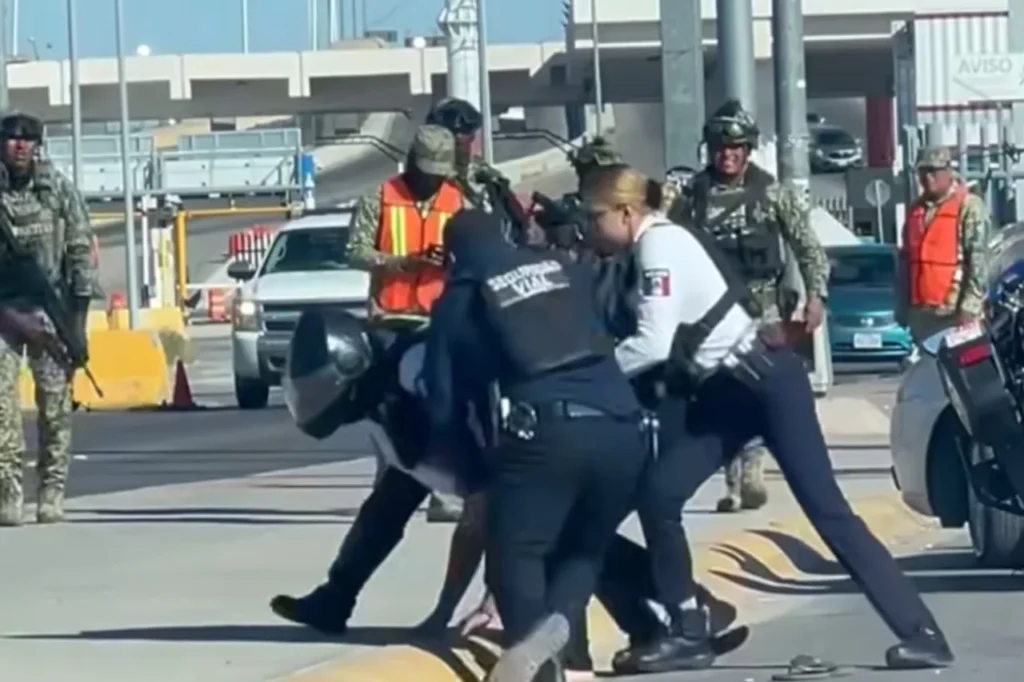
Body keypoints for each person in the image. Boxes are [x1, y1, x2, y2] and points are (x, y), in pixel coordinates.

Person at [582, 164, 954, 674]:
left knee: (829, 514)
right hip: (729, 392)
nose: (590, 227)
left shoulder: (658, 247)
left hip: (768, 385)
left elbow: (653, 341)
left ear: (625, 212)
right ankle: (689, 632)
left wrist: (588, 379)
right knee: (659, 494)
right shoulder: (653, 245)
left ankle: (923, 633)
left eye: (594, 215)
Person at [422, 208, 648, 682]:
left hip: (549, 431)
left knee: (516, 555)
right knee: (582, 551)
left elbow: (443, 403)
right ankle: (564, 629)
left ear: (452, 256)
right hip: (626, 427)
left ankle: (541, 668)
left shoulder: (460, 300)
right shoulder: (563, 269)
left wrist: (472, 473)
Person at [665, 100, 830, 514]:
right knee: (717, 393)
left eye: (737, 146)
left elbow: (808, 248)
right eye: (721, 146)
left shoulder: (772, 193)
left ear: (749, 149)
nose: (728, 153)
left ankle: (752, 466)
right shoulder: (690, 196)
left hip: (763, 309)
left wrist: (816, 295)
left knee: (758, 388)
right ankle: (735, 481)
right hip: (709, 313)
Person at [347, 123, 474, 522]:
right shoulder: (379, 199)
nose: (433, 181)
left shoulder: (459, 202)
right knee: (390, 411)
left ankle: (442, 490)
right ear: (412, 164)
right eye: (427, 172)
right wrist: (400, 262)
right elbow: (354, 251)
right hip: (391, 319)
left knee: (443, 406)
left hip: (441, 319)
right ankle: (387, 488)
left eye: (440, 173)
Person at [0, 111, 94, 527]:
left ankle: (52, 491)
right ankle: (8, 493)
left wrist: (77, 322)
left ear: (39, 145)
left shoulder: (57, 190)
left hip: (49, 308)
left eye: (28, 139)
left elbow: (78, 252)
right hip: (3, 311)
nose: (19, 145)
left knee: (55, 408)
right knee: (2, 411)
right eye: (11, 138)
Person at [896, 146, 990, 343]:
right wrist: (902, 307)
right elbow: (905, 261)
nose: (927, 178)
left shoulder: (968, 206)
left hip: (954, 314)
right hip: (922, 314)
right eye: (923, 172)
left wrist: (970, 307)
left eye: (933, 171)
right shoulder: (916, 209)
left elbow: (978, 260)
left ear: (948, 171)